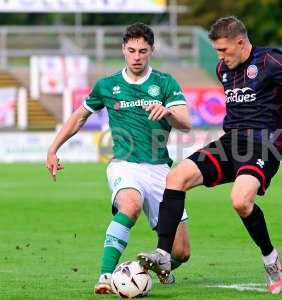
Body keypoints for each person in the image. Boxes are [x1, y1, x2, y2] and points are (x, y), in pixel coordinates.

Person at [136, 16, 282, 294]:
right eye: (217, 50)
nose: (219, 56)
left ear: (241, 42)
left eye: (223, 50)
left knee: (241, 201)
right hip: (231, 143)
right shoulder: (224, 69)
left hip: (265, 145)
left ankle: (270, 257)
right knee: (176, 177)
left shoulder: (270, 61)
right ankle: (162, 253)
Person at [46, 23, 192, 294]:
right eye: (132, 50)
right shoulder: (107, 85)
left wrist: (167, 112)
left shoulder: (164, 82)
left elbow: (185, 123)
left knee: (181, 252)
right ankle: (105, 275)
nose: (137, 56)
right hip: (125, 165)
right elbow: (80, 116)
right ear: (123, 49)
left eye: (143, 51)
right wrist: (53, 148)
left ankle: (147, 268)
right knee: (130, 205)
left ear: (151, 51)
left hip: (161, 170)